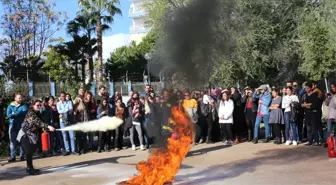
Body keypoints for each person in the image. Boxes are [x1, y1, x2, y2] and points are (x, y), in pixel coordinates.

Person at [16, 99, 55, 175]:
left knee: (31, 151)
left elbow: (42, 121)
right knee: (29, 151)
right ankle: (30, 169)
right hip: (24, 134)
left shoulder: (38, 113)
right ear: (33, 105)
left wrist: (47, 127)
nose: (39, 107)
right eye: (37, 105)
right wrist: (48, 126)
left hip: (31, 135)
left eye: (40, 105)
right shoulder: (31, 113)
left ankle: (29, 168)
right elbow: (38, 122)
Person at [7, 93, 28, 162]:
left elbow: (24, 112)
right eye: (19, 98)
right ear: (15, 98)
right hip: (12, 126)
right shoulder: (10, 106)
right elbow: (8, 115)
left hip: (21, 125)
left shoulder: (24, 105)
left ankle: (22, 156)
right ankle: (13, 157)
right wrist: (18, 113)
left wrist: (14, 113)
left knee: (22, 141)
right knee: (12, 142)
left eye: (21, 98)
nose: (20, 99)